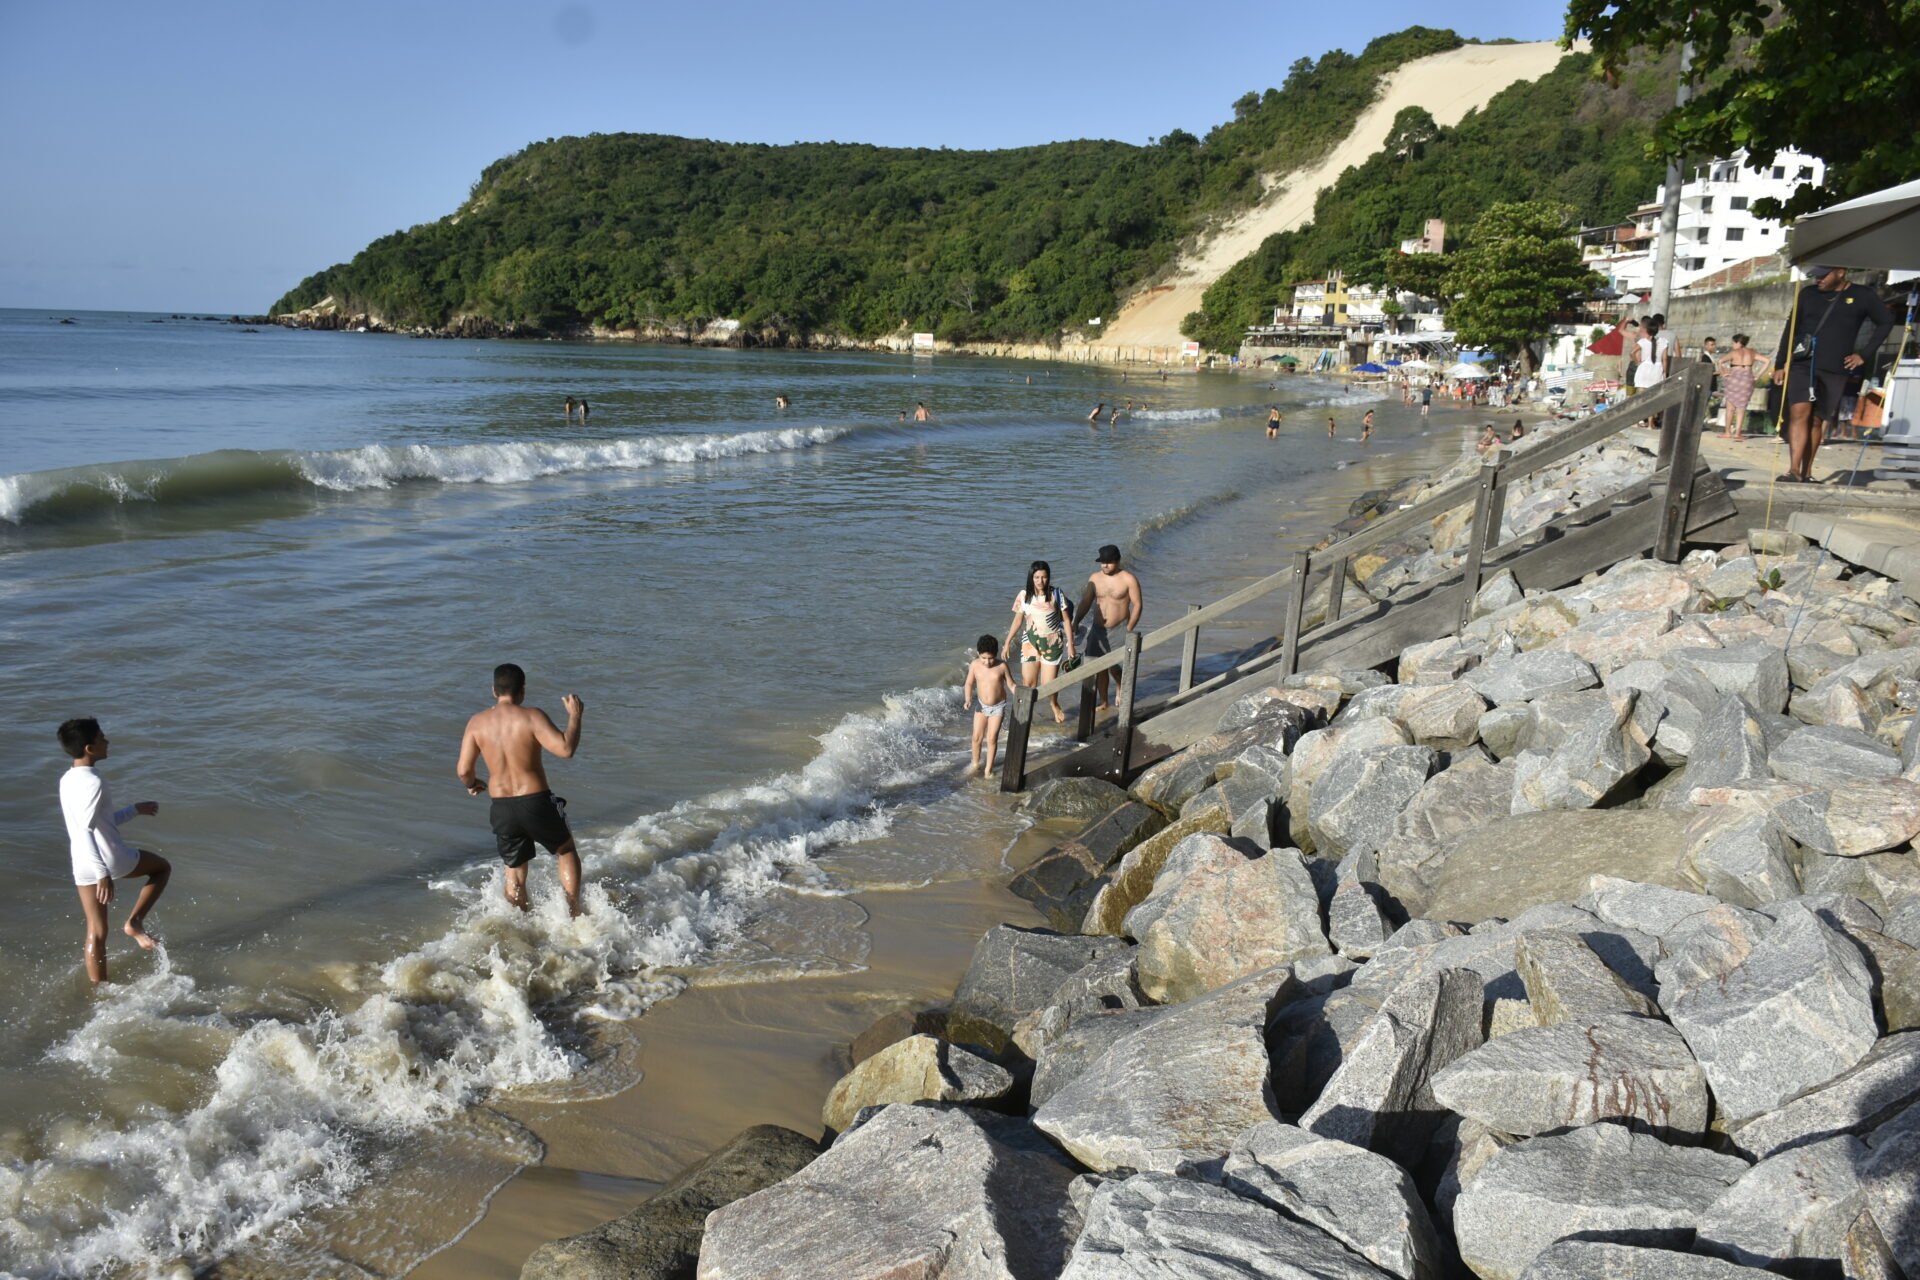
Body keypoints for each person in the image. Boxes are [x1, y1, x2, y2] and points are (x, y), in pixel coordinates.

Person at [456, 663, 586, 917]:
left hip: (502, 806)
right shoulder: (531, 716)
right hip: (536, 801)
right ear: (522, 690)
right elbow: (565, 749)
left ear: (494, 691)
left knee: (514, 872)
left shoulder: (476, 723)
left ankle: (520, 925)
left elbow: (463, 771)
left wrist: (473, 784)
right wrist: (575, 716)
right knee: (565, 849)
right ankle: (573, 913)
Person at [58, 718, 171, 985]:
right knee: (162, 868)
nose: (106, 741)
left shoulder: (66, 779)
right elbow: (88, 829)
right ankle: (135, 923)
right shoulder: (95, 781)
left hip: (81, 862)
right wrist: (103, 874)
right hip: (106, 859)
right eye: (101, 738)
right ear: (89, 748)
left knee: (95, 932)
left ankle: (101, 991)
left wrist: (134, 809)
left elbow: (99, 822)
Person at [1773, 266, 1894, 482]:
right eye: (1816, 275)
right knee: (1799, 411)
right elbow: (1790, 328)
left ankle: (1807, 472)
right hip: (1803, 362)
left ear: (1841, 272)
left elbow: (1886, 322)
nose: (1818, 279)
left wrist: (1864, 354)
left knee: (1817, 420)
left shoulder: (1862, 295)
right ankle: (1793, 470)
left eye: (1824, 274)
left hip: (1836, 368)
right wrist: (1780, 363)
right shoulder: (1807, 294)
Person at [1004, 561, 1077, 725]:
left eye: (1044, 577)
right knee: (1028, 684)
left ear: (1048, 578)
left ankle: (1053, 703)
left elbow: (1066, 620)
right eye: (1037, 577)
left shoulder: (1056, 594)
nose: (1040, 581)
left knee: (1048, 685)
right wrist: (1007, 642)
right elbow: (1017, 620)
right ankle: (1024, 718)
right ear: (1031, 578)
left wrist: (1070, 644)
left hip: (1052, 643)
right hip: (1030, 642)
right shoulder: (1024, 596)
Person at [1075, 544, 1144, 711]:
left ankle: (1121, 689)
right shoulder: (1095, 579)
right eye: (1102, 562)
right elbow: (1086, 602)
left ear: (1118, 561)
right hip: (1097, 630)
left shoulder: (1128, 579)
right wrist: (1075, 621)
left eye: (1109, 562)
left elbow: (1138, 605)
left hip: (1119, 629)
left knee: (1117, 668)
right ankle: (1104, 700)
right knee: (1098, 668)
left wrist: (1129, 629)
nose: (1105, 565)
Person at [963, 635, 1016, 777]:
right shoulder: (975, 665)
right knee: (976, 737)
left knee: (992, 738)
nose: (987, 662)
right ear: (978, 654)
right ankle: (975, 763)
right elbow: (968, 683)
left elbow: (1011, 684)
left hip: (998, 706)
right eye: (984, 658)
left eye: (990, 658)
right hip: (981, 705)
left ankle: (988, 769)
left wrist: (1020, 693)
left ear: (996, 654)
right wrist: (968, 699)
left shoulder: (1002, 666)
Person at [1716, 333, 1767, 441]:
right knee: (1742, 407)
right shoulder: (1752, 352)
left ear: (1738, 343)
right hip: (1747, 379)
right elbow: (1767, 361)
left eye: (1733, 343)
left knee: (1730, 407)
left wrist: (1723, 372)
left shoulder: (1734, 353)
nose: (1732, 345)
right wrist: (1758, 374)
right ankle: (1738, 433)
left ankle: (1727, 432)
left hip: (1734, 378)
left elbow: (1720, 361)